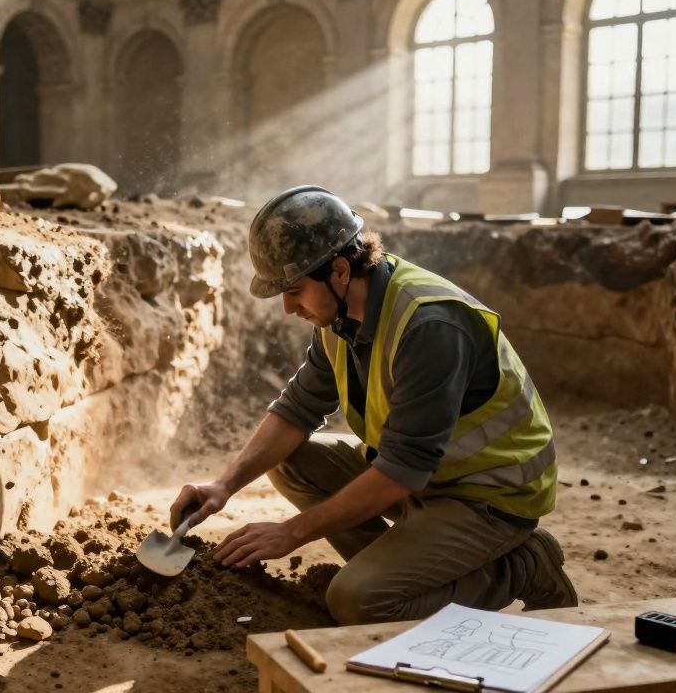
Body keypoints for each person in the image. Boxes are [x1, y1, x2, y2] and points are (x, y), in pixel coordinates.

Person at [168, 185, 577, 625]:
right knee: (290, 461)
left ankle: (522, 567)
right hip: (429, 481)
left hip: (489, 495)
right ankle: (406, 566)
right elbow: (296, 409)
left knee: (359, 601)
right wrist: (224, 486)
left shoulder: (429, 325)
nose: (288, 307)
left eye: (294, 290)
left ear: (340, 270)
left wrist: (292, 533)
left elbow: (402, 469)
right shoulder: (337, 316)